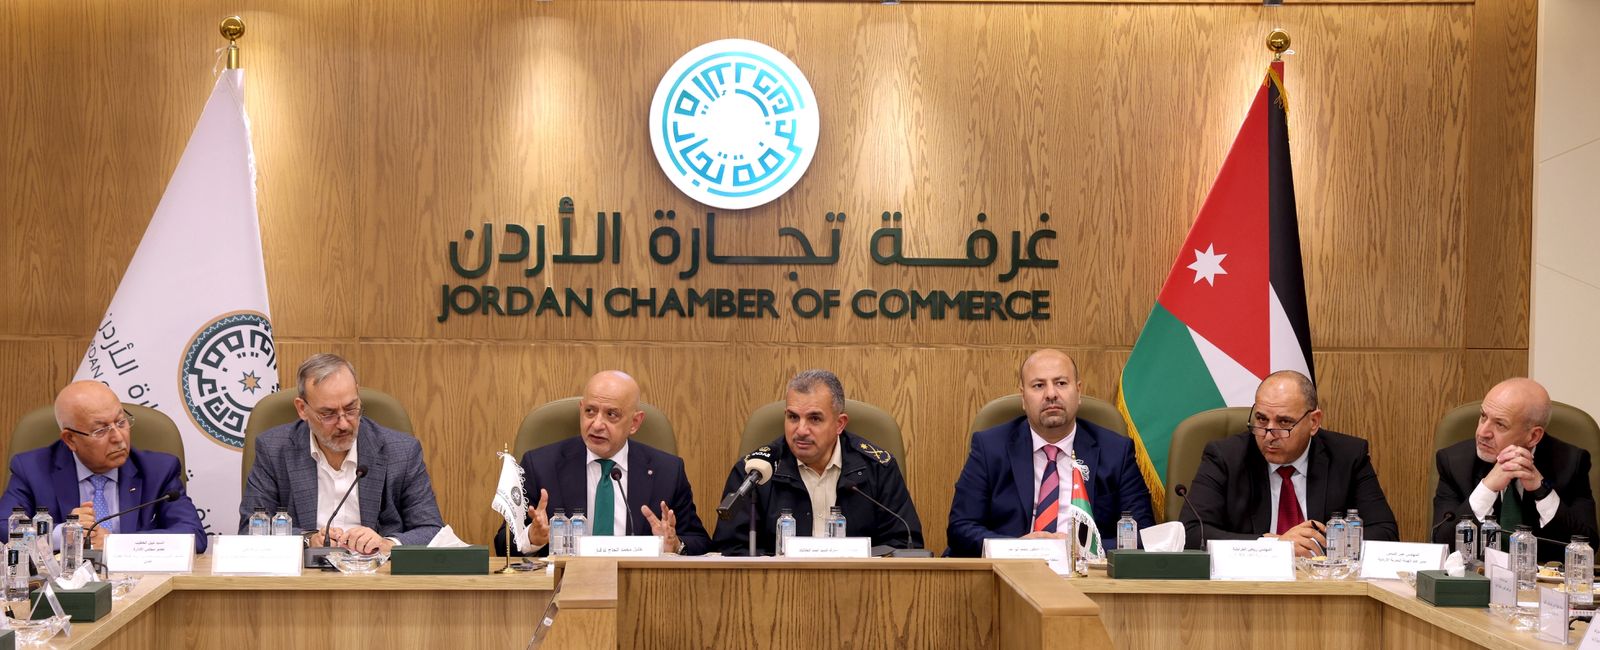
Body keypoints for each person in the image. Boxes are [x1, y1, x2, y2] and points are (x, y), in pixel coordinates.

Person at [947, 349, 1154, 557]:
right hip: (1011, 569)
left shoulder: (1116, 451)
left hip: (1086, 571)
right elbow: (960, 528)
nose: (1051, 394)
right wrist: (1018, 548)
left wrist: (1080, 548)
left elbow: (1142, 535)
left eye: (1061, 383)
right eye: (1038, 385)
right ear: (1023, 397)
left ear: (1078, 391)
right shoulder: (990, 447)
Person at [240, 354, 443, 554]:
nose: (344, 424)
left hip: (376, 570)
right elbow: (250, 529)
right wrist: (308, 541)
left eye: (351, 408)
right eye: (328, 414)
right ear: (302, 409)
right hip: (306, 571)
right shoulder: (273, 449)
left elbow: (432, 531)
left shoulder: (402, 451)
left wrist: (387, 543)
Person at [1181, 370, 1399, 556]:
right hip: (1250, 584)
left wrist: (1316, 543)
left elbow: (1386, 534)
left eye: (1284, 422)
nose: (1269, 434)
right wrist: (1274, 545)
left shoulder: (1347, 456)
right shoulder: (1225, 457)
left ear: (1313, 422)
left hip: (1323, 585)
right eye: (1261, 419)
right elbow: (1191, 533)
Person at [494, 370, 710, 555]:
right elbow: (503, 543)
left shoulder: (668, 471)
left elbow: (700, 542)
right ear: (581, 409)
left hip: (641, 584)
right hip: (565, 583)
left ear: (635, 422)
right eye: (590, 411)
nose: (597, 424)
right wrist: (532, 537)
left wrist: (675, 544)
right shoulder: (540, 465)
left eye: (611, 414)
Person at [711, 370, 923, 555]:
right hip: (779, 587)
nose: (801, 430)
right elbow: (729, 550)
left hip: (860, 587)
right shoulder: (754, 473)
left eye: (814, 419)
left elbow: (904, 545)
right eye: (793, 417)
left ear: (839, 424)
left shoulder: (877, 469)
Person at [0, 381, 207, 552]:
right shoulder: (32, 469)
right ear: (70, 439)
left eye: (121, 422)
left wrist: (113, 544)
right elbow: (4, 528)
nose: (118, 438)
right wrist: (62, 535)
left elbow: (193, 537)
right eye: (100, 431)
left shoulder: (159, 470)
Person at [1433, 377, 1597, 563]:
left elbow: (1588, 547)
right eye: (1483, 416)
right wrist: (1487, 488)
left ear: (1533, 436)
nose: (1482, 432)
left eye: (1500, 424)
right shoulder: (1454, 462)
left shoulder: (1570, 463)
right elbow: (1441, 545)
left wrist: (1542, 490)